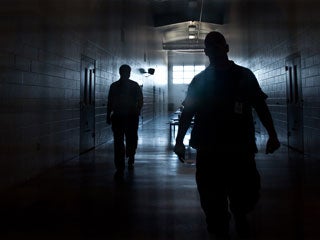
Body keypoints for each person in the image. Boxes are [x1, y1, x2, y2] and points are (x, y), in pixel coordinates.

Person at [173, 31, 280, 239]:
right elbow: (188, 113)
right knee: (212, 199)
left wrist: (273, 135)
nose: (214, 49)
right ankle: (220, 226)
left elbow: (260, 106)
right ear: (205, 52)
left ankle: (239, 215)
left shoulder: (244, 75)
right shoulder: (200, 81)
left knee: (245, 193)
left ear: (227, 48)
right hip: (210, 148)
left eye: (218, 45)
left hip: (239, 146)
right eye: (210, 46)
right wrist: (178, 142)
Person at [106, 64, 143, 180]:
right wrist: (138, 111)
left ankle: (122, 165)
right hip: (129, 117)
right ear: (128, 73)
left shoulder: (114, 86)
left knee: (120, 141)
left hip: (120, 116)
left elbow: (110, 102)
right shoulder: (134, 85)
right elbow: (140, 100)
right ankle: (128, 159)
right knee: (128, 139)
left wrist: (108, 115)